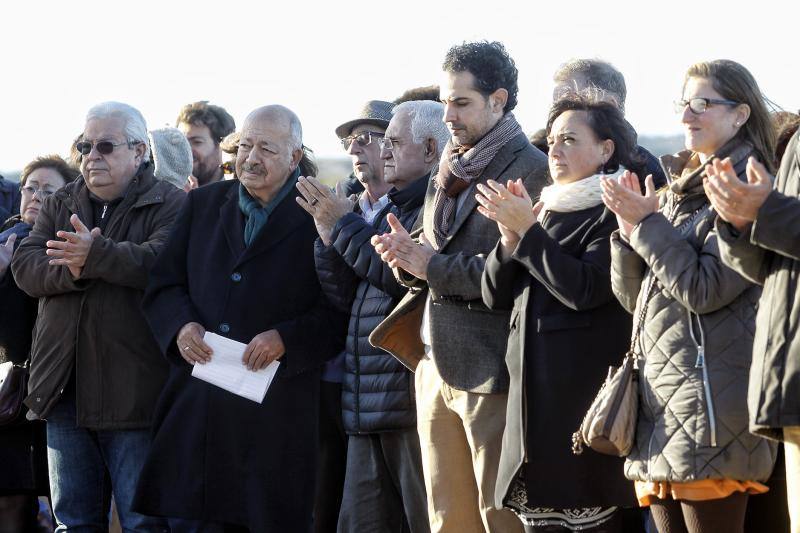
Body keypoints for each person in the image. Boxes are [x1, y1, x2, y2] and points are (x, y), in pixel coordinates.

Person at [132, 105, 345, 532]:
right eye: (245, 145)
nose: (251, 157)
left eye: (267, 147)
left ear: (295, 153)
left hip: (277, 413)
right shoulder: (204, 204)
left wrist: (286, 337)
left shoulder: (319, 214)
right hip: (202, 409)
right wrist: (182, 326)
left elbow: (340, 309)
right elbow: (164, 285)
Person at [370, 41, 549, 533]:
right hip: (432, 365)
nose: (447, 114)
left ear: (498, 99)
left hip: (492, 369)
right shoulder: (449, 164)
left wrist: (431, 265)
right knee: (447, 518)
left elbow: (512, 270)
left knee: (500, 517)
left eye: (461, 102)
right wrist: (406, 258)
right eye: (446, 101)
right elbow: (434, 255)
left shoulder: (531, 169)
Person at [601, 59, 778, 533]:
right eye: (684, 103)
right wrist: (627, 234)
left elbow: (705, 290)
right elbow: (635, 300)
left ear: (740, 115)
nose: (686, 117)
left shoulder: (748, 186)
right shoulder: (680, 187)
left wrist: (647, 225)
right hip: (660, 406)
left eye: (702, 104)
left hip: (711, 407)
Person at [11, 102, 184, 531]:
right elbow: (27, 267)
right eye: (84, 145)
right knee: (73, 523)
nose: (92, 155)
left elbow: (161, 262)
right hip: (63, 391)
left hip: (134, 395)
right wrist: (79, 267)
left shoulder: (170, 202)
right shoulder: (58, 202)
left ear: (140, 150)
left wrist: (96, 255)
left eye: (106, 146)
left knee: (143, 524)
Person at [478, 93, 642, 532]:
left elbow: (586, 289)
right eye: (551, 140)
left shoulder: (615, 206)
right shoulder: (547, 206)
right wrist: (510, 240)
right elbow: (495, 297)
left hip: (582, 405)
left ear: (606, 149)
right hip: (534, 409)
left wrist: (528, 231)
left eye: (570, 139)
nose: (554, 150)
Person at [300, 100, 449, 533]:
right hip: (364, 401)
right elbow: (347, 298)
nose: (366, 150)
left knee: (423, 521)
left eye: (378, 138)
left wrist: (343, 226)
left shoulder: (432, 206)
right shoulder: (378, 208)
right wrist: (328, 236)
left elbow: (399, 279)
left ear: (427, 149)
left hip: (405, 398)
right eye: (352, 141)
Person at [707, 128, 800, 533]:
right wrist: (741, 227)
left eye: (702, 103)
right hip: (790, 383)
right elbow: (772, 270)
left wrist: (769, 211)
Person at [0, 155, 78, 532]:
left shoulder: (72, 247)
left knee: (68, 501)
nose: (35, 196)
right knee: (11, 499)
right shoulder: (3, 243)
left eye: (48, 190)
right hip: (9, 394)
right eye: (30, 187)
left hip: (62, 391)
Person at [552, 58, 667, 190]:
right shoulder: (549, 158)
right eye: (556, 105)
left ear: (610, 105)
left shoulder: (648, 175)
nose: (559, 114)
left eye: (571, 102)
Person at [176, 101, 236, 188]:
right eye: (181, 142)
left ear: (222, 146)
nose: (185, 150)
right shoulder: (167, 192)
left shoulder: (240, 192)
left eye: (196, 142)